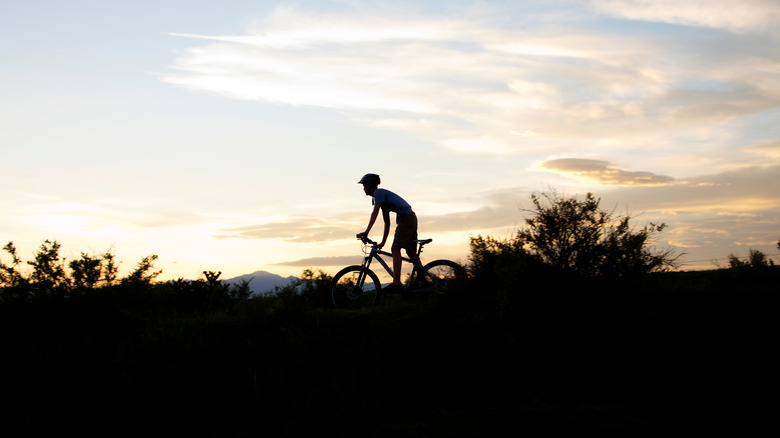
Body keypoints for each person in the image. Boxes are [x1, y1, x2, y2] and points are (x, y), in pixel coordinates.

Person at [356, 173, 419, 290]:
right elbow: (387, 224)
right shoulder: (382, 199)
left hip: (406, 218)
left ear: (369, 185)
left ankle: (396, 283)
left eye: (364, 185)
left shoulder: (378, 194)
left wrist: (366, 232)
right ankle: (423, 279)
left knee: (395, 248)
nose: (363, 188)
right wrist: (382, 243)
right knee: (410, 252)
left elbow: (374, 213)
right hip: (409, 217)